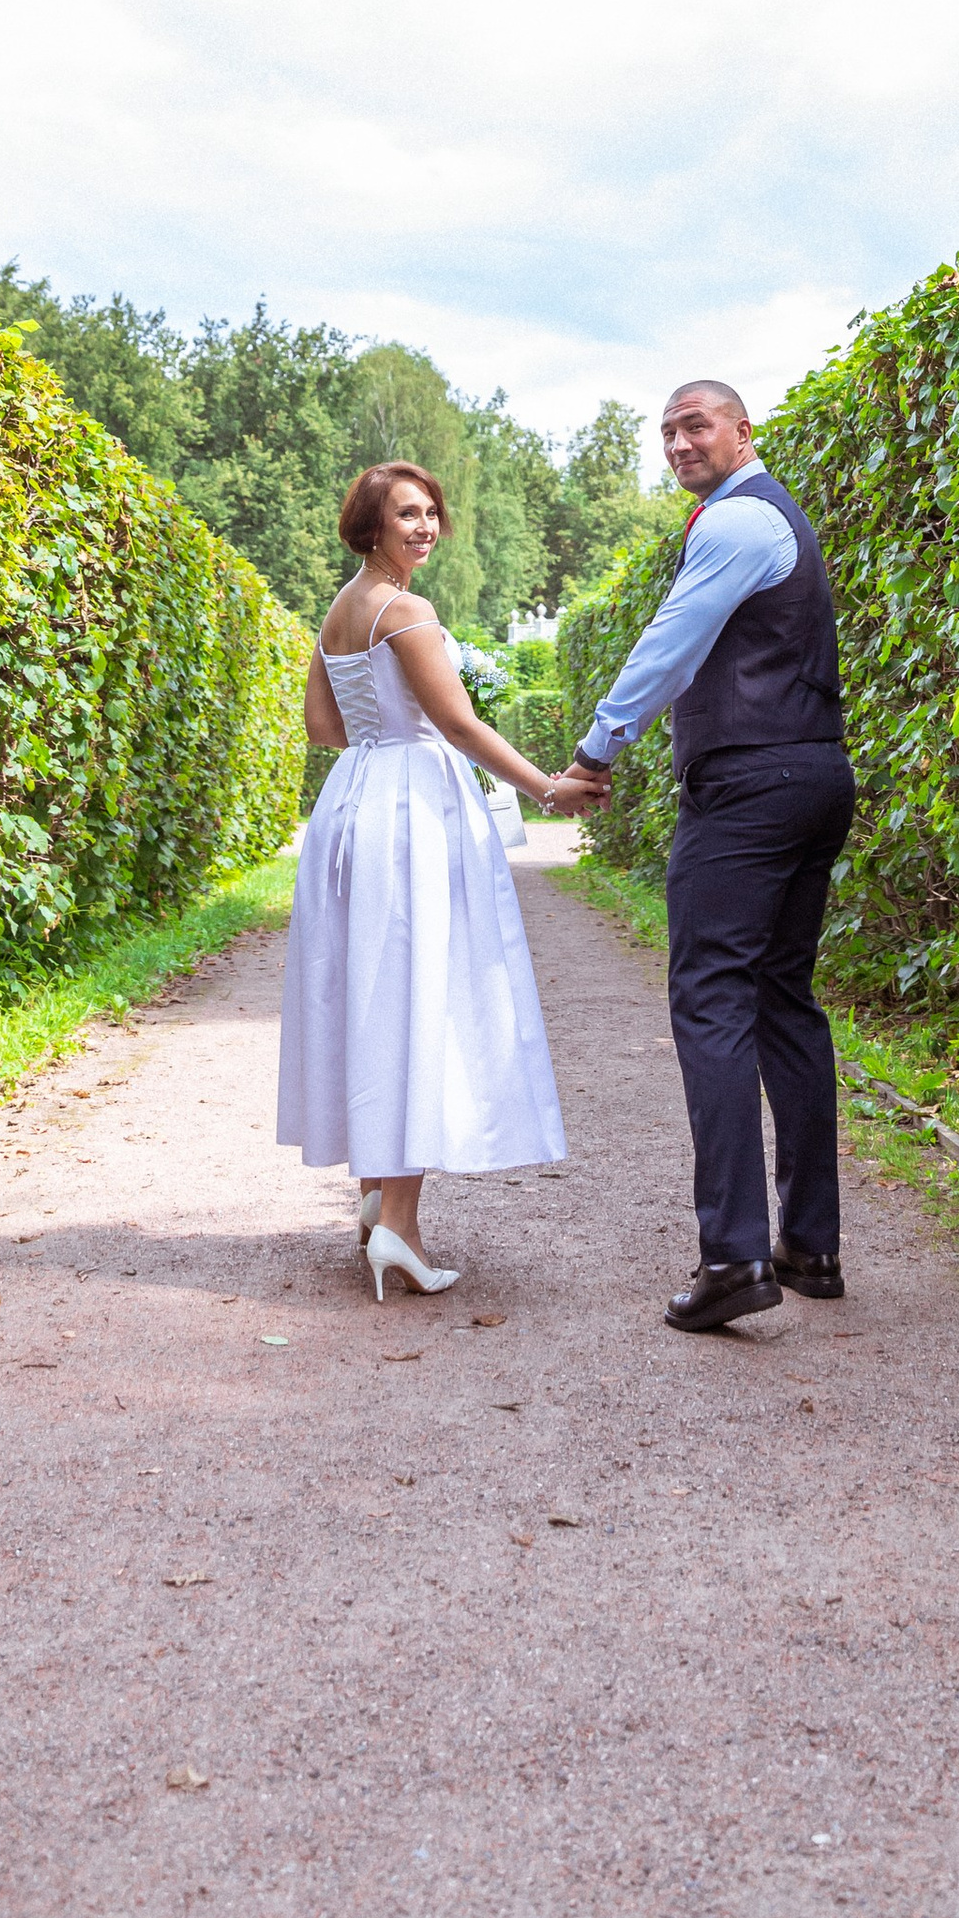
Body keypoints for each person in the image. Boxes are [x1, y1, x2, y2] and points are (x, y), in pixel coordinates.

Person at [561, 380, 854, 1332]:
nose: (679, 441)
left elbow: (670, 646)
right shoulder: (772, 521)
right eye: (667, 431)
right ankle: (808, 1246)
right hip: (814, 774)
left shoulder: (737, 525)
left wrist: (598, 747)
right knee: (782, 1000)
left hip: (750, 790)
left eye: (696, 425)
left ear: (742, 431)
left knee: (712, 999)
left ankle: (733, 1255)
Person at [277, 459, 585, 1299]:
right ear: (370, 527)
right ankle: (400, 1227)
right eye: (405, 514)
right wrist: (548, 788)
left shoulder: (340, 611)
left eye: (430, 513)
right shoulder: (405, 608)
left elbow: (322, 727)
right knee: (420, 991)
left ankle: (376, 1200)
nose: (423, 526)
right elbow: (456, 722)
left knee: (370, 988)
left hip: (354, 805)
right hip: (413, 807)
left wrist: (383, 741)